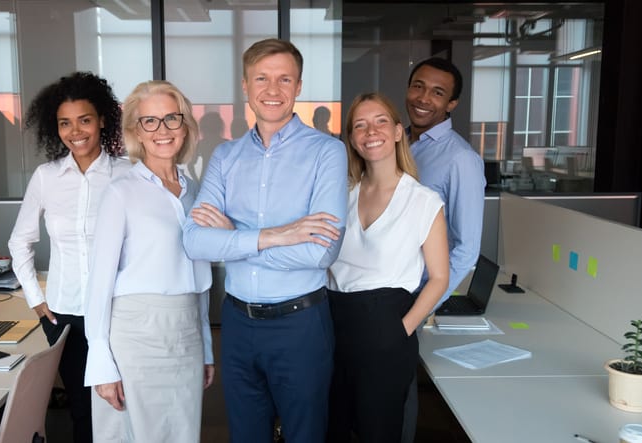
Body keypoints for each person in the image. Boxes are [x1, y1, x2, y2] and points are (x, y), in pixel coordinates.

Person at [182, 38, 349, 443]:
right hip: (238, 325)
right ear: (245, 86)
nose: (272, 90)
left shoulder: (328, 153)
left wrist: (234, 240)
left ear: (298, 86)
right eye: (262, 78)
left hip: (300, 326)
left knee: (305, 435)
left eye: (284, 79)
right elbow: (194, 242)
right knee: (245, 435)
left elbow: (319, 253)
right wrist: (275, 236)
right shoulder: (225, 156)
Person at [83, 80, 214, 442]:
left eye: (172, 119)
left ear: (185, 125)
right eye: (149, 121)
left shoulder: (194, 192)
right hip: (136, 336)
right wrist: (100, 364)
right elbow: (99, 283)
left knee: (182, 434)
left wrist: (204, 343)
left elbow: (199, 275)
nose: (162, 130)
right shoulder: (120, 193)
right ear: (136, 132)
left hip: (186, 331)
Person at [8, 71, 131, 443]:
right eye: (65, 123)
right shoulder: (47, 177)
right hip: (66, 314)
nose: (75, 131)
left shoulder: (126, 174)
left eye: (85, 120)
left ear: (103, 120)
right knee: (81, 408)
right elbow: (19, 242)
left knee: (120, 404)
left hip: (118, 310)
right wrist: (36, 298)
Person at [326, 92, 449, 442]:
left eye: (380, 121)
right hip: (335, 322)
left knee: (378, 431)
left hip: (387, 324)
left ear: (398, 132)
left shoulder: (423, 201)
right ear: (351, 138)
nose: (370, 132)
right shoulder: (343, 194)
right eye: (360, 126)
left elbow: (440, 278)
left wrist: (402, 330)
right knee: (333, 428)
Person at [402, 57, 486, 443]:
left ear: (452, 104)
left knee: (396, 393)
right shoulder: (400, 141)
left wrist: (420, 308)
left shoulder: (460, 160)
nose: (424, 98)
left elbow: (466, 249)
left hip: (410, 297)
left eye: (438, 93)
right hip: (378, 290)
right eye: (418, 86)